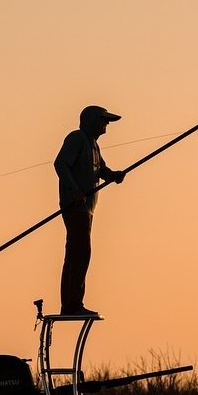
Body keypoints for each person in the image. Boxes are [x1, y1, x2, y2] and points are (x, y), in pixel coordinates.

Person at [53, 105, 127, 317]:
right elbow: (60, 164)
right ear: (92, 120)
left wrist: (113, 175)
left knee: (78, 252)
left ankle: (72, 302)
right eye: (104, 121)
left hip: (88, 208)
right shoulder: (77, 138)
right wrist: (74, 190)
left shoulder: (93, 145)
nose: (106, 125)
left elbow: (100, 169)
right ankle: (72, 303)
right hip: (75, 206)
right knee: (80, 251)